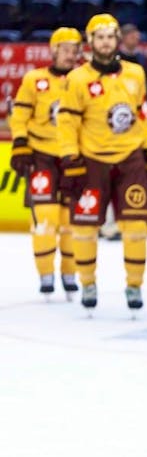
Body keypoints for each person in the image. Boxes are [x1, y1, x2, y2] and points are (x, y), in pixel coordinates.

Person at [57, 14, 147, 313]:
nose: (105, 42)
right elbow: (67, 122)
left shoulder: (135, 73)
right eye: (99, 37)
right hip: (92, 161)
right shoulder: (77, 78)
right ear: (90, 42)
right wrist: (70, 157)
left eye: (110, 37)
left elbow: (142, 115)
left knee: (136, 226)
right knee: (85, 228)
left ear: (117, 40)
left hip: (130, 158)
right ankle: (88, 282)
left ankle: (134, 285)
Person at [8, 28, 83, 299]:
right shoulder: (34, 79)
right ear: (53, 50)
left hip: (73, 156)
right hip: (42, 155)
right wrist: (20, 143)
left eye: (75, 50)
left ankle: (70, 273)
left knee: (71, 221)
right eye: (65, 49)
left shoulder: (84, 81)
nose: (71, 55)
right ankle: (46, 274)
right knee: (45, 219)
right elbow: (19, 115)